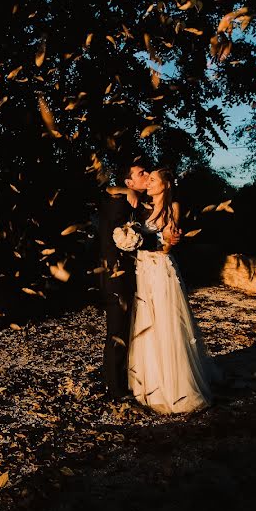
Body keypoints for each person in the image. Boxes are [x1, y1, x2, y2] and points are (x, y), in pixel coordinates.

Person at [127, 168, 221, 414]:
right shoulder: (142, 207)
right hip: (143, 272)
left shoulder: (173, 207)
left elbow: (168, 246)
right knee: (148, 324)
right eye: (148, 178)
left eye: (153, 179)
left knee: (167, 324)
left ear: (166, 185)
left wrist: (170, 241)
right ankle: (151, 387)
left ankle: (176, 389)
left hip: (161, 270)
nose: (148, 181)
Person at [98, 160, 164, 400]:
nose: (146, 175)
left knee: (131, 330)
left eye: (148, 171)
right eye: (141, 173)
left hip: (137, 275)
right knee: (117, 332)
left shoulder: (137, 201)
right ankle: (113, 389)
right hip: (117, 276)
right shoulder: (119, 201)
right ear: (129, 182)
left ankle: (127, 380)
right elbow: (121, 239)